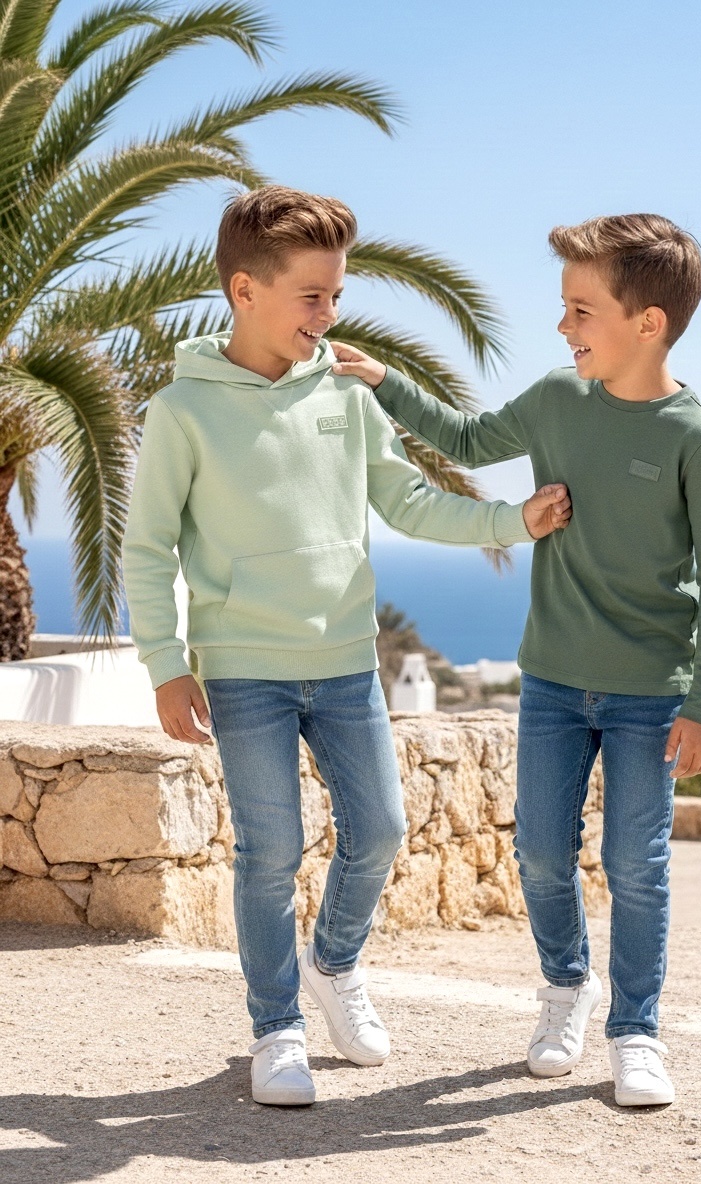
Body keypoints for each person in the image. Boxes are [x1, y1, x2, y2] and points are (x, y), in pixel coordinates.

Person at [121, 186, 571, 1107]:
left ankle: (333, 964)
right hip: (242, 669)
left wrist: (512, 521)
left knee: (383, 832)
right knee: (269, 852)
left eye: (336, 294)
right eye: (312, 296)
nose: (329, 314)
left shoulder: (345, 393)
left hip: (344, 662)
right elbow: (148, 547)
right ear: (245, 291)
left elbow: (408, 501)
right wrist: (166, 665)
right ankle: (276, 1028)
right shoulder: (183, 410)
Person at [331, 213, 701, 1107]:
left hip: (650, 696)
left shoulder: (698, 439)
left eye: (581, 310)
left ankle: (636, 1032)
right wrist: (385, 382)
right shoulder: (559, 398)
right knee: (543, 856)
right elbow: (470, 440)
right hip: (553, 682)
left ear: (649, 323)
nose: (563, 327)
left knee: (636, 865)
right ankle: (565, 989)